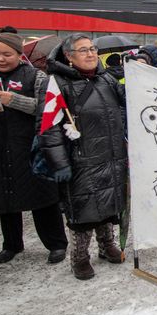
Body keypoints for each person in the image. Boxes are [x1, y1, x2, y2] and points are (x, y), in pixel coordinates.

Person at [0, 32, 68, 265]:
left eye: (7, 54)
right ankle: (11, 244)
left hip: (30, 146)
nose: (1, 59)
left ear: (19, 54)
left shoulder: (36, 76)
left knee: (43, 197)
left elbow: (48, 108)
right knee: (5, 197)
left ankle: (56, 244)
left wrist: (14, 100)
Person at [39, 34, 127, 279]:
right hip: (81, 159)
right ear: (68, 56)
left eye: (92, 49)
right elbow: (48, 128)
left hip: (111, 155)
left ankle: (106, 245)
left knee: (109, 203)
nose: (90, 54)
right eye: (83, 50)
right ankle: (79, 257)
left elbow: (128, 99)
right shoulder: (57, 84)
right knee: (83, 211)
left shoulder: (106, 79)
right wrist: (58, 163)